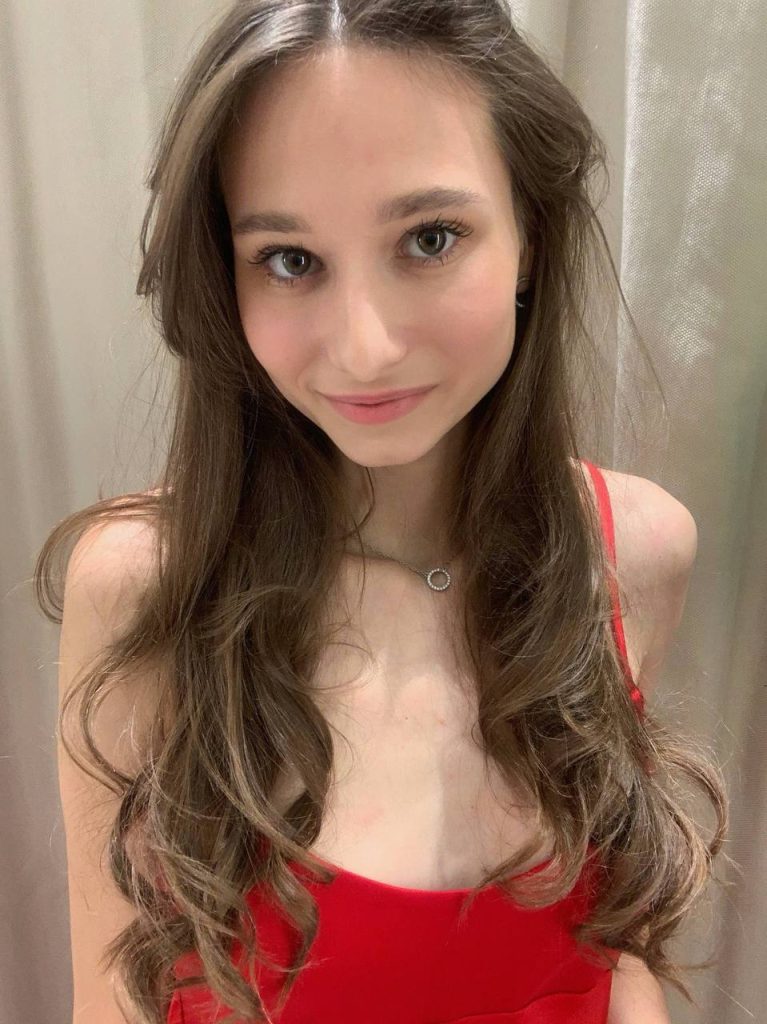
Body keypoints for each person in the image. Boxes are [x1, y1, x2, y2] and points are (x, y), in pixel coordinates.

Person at [37, 2, 729, 1023]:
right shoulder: (150, 588)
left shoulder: (635, 551)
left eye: (429, 239)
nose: (364, 347)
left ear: (530, 236)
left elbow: (609, 952)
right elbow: (112, 1002)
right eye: (289, 258)